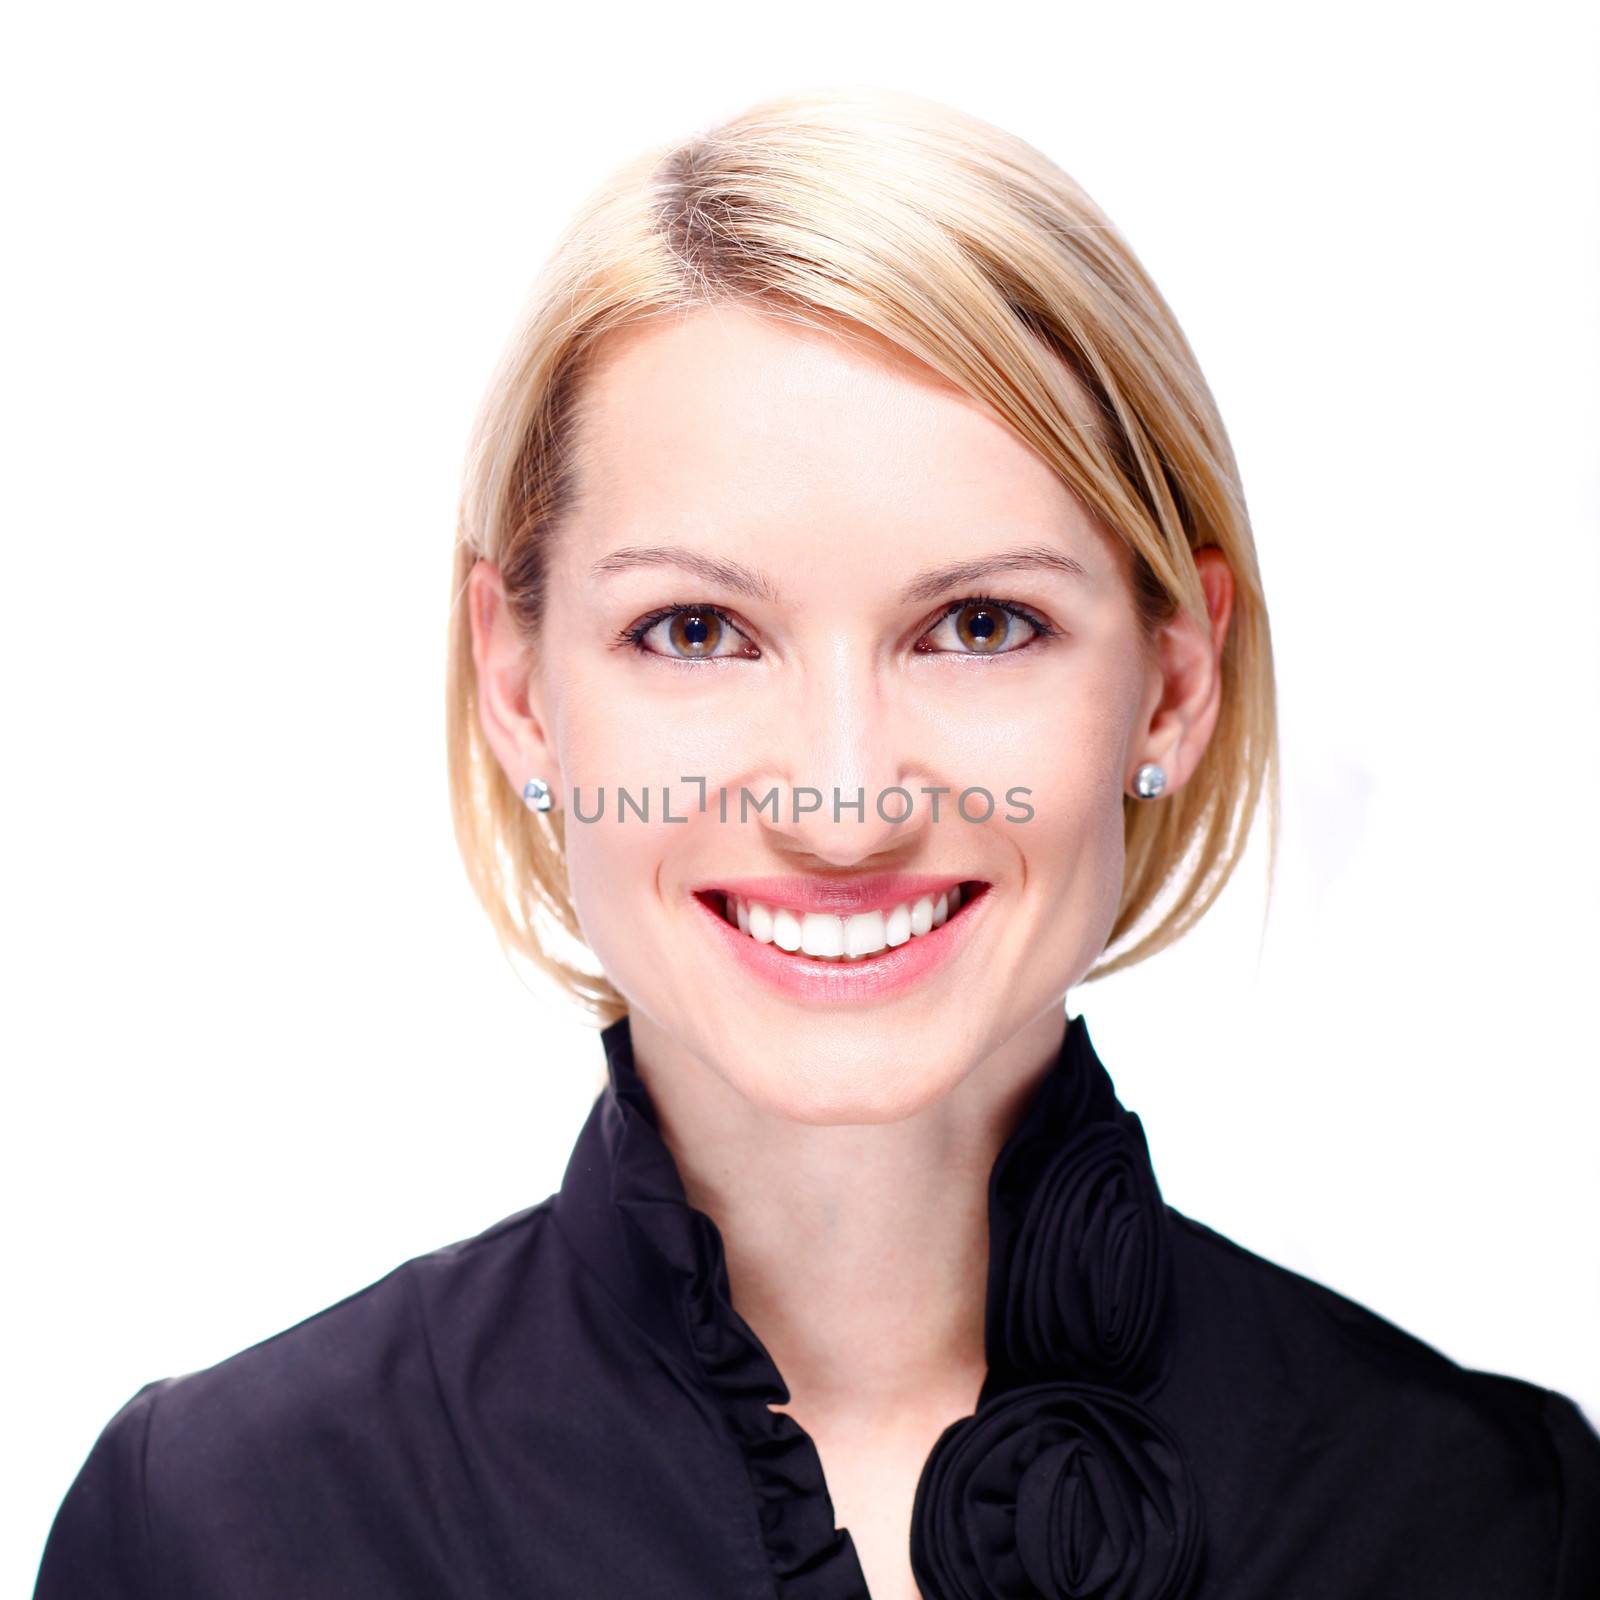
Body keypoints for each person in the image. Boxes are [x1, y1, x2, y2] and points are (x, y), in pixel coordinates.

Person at [34, 85, 1600, 1600]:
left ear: (1172, 683)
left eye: (981, 625)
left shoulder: (1490, 1520)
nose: (844, 804)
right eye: (696, 629)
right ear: (518, 687)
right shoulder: (220, 1528)